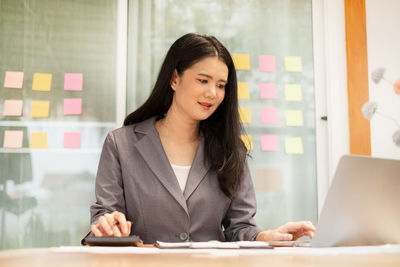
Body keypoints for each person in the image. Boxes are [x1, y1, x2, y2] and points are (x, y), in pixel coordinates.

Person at [87, 33, 315, 244]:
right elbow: (104, 217)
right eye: (203, 81)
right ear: (175, 79)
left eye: (220, 85)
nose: (212, 94)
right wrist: (107, 225)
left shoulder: (231, 150)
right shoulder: (121, 144)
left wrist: (267, 236)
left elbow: (240, 227)